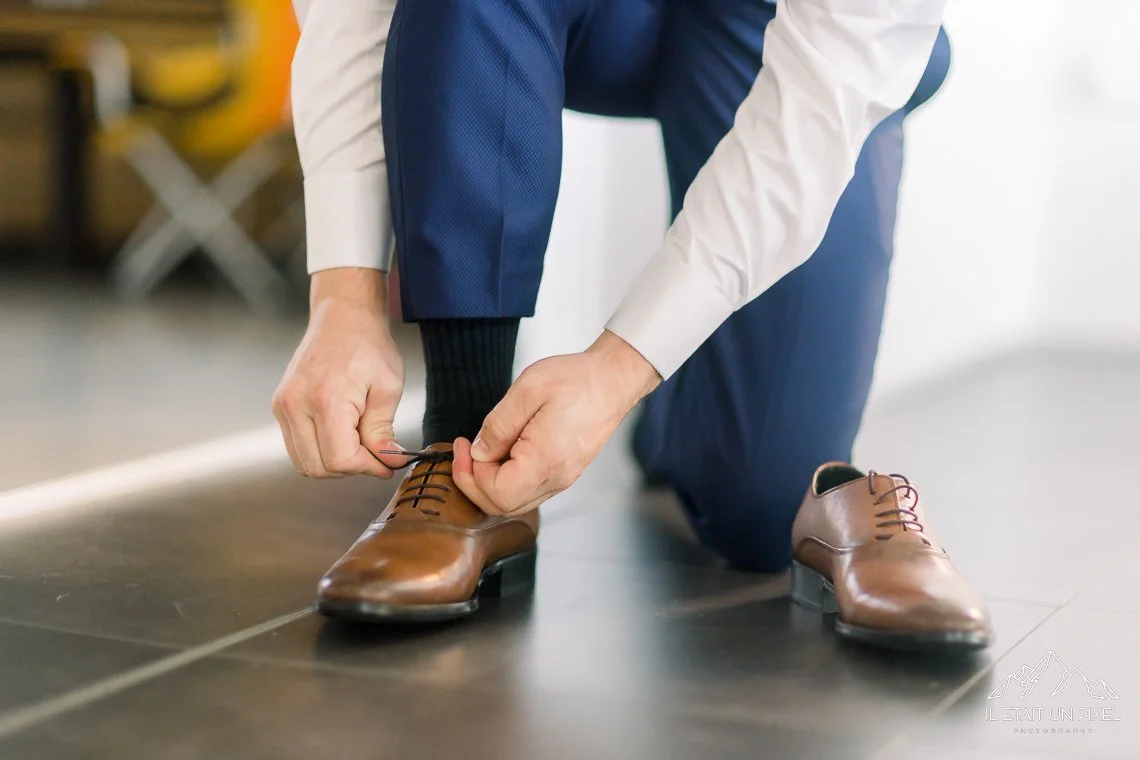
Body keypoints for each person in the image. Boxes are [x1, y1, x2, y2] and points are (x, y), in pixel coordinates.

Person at [273, 0, 993, 651]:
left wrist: (622, 367)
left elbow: (830, 87)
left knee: (763, 508)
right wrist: (345, 294)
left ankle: (674, 404)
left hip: (783, 30)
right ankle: (466, 456)